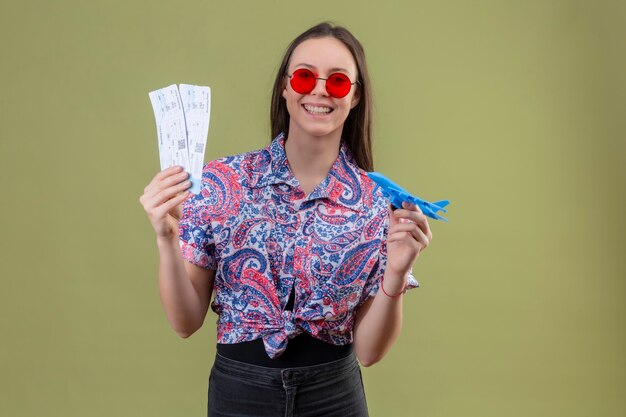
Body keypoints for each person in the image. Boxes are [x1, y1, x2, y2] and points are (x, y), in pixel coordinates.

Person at [140, 22, 432, 417]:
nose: (320, 90)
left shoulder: (378, 203)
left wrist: (395, 273)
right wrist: (166, 238)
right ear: (285, 85)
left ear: (356, 95)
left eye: (339, 82)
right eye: (305, 76)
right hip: (239, 393)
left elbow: (369, 352)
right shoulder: (222, 182)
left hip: (334, 396)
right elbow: (184, 322)